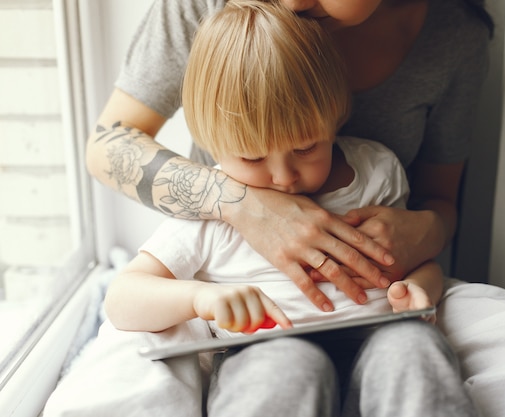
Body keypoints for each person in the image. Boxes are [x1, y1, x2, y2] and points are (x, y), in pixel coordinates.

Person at [103, 2, 475, 415]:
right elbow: (122, 297)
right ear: (212, 145)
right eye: (250, 157)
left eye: (305, 148)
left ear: (337, 120)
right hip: (267, 349)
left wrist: (422, 289)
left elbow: (417, 263)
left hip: (381, 335)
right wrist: (199, 298)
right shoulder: (208, 209)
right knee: (283, 370)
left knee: (413, 352)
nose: (283, 177)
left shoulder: (376, 173)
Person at [86, 0, 494, 313]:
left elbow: (439, 199)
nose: (293, 2)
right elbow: (108, 145)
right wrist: (243, 205)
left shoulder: (454, 38)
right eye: (250, 155)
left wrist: (427, 231)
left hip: (372, 309)